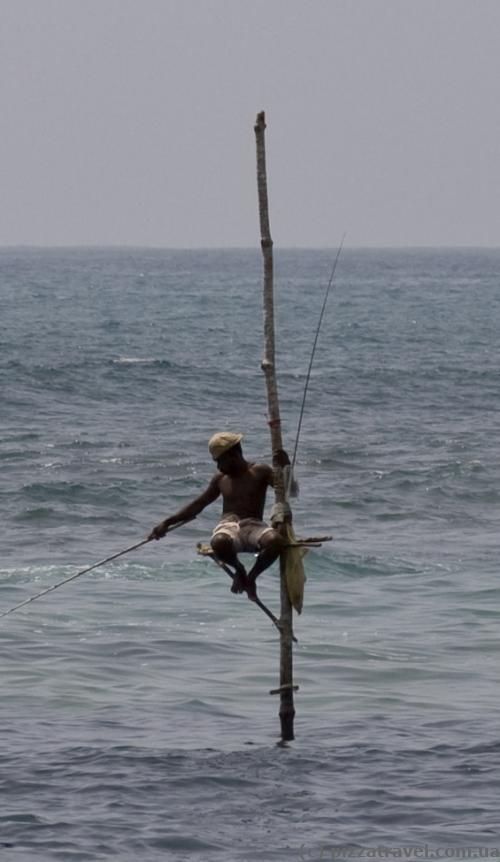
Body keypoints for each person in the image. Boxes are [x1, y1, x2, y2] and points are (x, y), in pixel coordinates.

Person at [149, 432, 287, 600]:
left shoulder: (260, 471)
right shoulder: (220, 479)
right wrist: (167, 522)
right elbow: (198, 505)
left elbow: (287, 490)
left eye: (220, 461)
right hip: (228, 527)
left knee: (275, 541)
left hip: (254, 526)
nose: (218, 467)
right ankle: (239, 569)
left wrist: (286, 467)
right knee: (219, 542)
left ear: (233, 455)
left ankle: (251, 578)